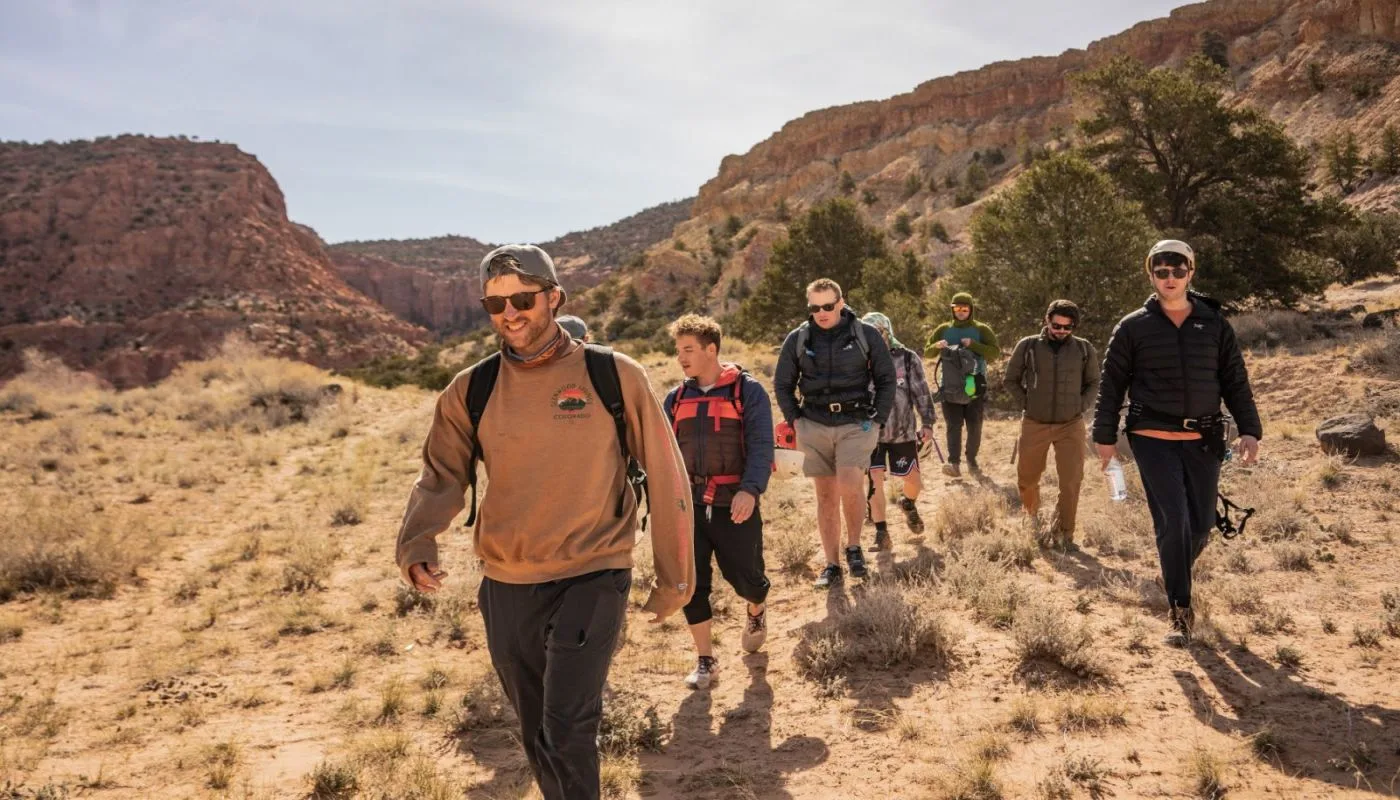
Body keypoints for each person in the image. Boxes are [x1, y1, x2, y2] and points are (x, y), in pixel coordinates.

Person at [394, 244, 694, 799]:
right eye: (495, 304)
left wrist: (676, 577)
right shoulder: (471, 389)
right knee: (536, 733)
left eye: (523, 299)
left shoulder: (613, 374)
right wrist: (417, 541)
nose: (510, 313)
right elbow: (441, 474)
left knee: (567, 728)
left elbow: (666, 473)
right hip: (507, 582)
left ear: (554, 297)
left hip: (594, 571)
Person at [1093, 240, 1261, 647]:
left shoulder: (1214, 323)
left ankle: (1173, 571)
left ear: (1191, 273)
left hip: (1204, 439)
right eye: (1162, 272)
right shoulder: (1132, 326)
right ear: (1151, 274)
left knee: (1201, 526)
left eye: (1178, 271)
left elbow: (1235, 380)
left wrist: (1250, 429)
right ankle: (1180, 610)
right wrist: (1104, 436)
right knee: (1174, 520)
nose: (1170, 278)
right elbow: (1111, 385)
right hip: (1152, 438)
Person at [664, 314, 775, 690]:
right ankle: (705, 660)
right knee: (692, 584)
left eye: (688, 349)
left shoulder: (747, 391)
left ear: (711, 350)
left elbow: (762, 445)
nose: (681, 358)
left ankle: (756, 607)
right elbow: (663, 451)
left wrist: (750, 490)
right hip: (689, 506)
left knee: (747, 579)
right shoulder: (676, 397)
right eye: (678, 350)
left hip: (735, 502)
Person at [773, 279, 897, 588]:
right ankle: (832, 565)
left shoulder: (864, 334)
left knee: (850, 484)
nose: (822, 313)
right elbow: (783, 383)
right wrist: (795, 420)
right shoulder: (798, 338)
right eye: (815, 308)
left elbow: (886, 378)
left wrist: (878, 419)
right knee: (825, 495)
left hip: (856, 422)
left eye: (828, 306)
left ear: (840, 303)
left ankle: (854, 548)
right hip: (813, 423)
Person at [1003, 300, 1100, 547]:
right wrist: (1028, 403)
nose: (1061, 331)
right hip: (1034, 422)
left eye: (1068, 327)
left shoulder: (1084, 349)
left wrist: (1081, 405)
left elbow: (1093, 382)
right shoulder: (1028, 346)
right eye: (1056, 325)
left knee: (1071, 481)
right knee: (1027, 479)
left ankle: (1064, 533)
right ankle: (1032, 519)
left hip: (1071, 424)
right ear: (1047, 320)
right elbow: (1011, 379)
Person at [859, 311, 935, 550]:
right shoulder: (857, 360)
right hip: (870, 433)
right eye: (866, 333)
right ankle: (882, 533)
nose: (872, 337)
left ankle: (908, 503)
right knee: (874, 481)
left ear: (887, 332)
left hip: (903, 432)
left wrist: (928, 423)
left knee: (913, 481)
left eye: (877, 332)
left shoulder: (907, 358)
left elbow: (921, 392)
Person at [926, 292, 1001, 477]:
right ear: (952, 309)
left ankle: (972, 461)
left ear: (971, 310)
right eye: (957, 308)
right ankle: (954, 463)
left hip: (973, 382)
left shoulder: (981, 329)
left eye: (964, 309)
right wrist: (936, 346)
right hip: (949, 384)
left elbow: (995, 353)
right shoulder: (943, 329)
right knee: (953, 425)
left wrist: (973, 344)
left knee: (974, 425)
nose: (961, 312)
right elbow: (927, 352)